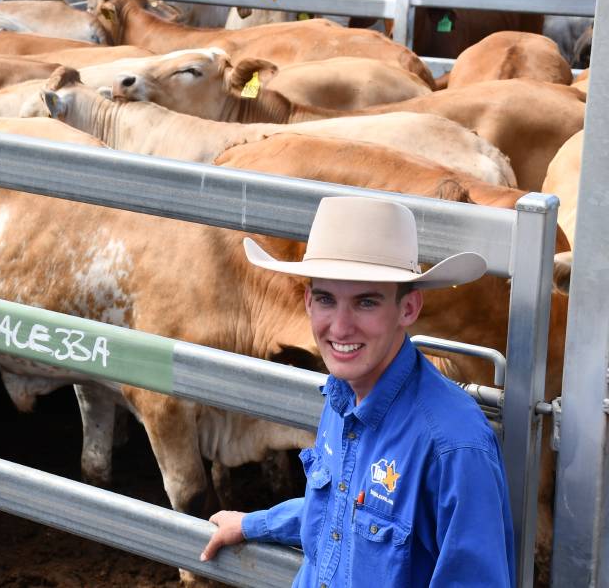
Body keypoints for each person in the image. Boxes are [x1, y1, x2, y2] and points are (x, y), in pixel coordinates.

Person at [199, 196, 515, 587]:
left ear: (409, 308)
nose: (341, 327)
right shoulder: (342, 394)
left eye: (366, 302)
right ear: (307, 302)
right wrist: (254, 523)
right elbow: (340, 508)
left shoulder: (455, 447)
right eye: (326, 300)